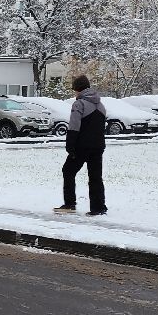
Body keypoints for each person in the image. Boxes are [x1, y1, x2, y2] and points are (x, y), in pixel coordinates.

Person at [56, 74, 107, 216]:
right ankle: (98, 207)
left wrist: (70, 146)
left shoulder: (79, 104)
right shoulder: (100, 104)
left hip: (82, 146)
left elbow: (74, 126)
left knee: (68, 171)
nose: (75, 94)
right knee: (95, 177)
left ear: (78, 89)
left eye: (75, 90)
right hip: (98, 146)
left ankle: (69, 203)